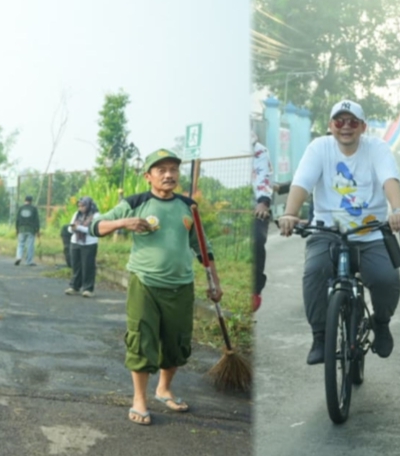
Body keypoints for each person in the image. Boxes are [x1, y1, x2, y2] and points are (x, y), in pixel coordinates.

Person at [89, 149, 222, 426]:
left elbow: (202, 247)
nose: (169, 174)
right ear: (148, 176)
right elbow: (95, 226)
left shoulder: (189, 207)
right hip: (144, 284)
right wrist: (124, 222)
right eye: (161, 170)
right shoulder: (136, 202)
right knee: (142, 340)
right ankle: (140, 399)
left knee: (176, 343)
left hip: (181, 286)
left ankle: (164, 389)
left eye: (173, 169)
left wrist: (214, 282)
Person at [277, 99, 400, 363]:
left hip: (371, 232)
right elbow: (302, 182)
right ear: (330, 125)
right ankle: (321, 337)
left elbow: (389, 180)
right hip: (327, 231)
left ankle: (381, 324)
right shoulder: (319, 148)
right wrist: (290, 213)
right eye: (339, 121)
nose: (346, 127)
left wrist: (397, 209)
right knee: (314, 272)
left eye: (352, 122)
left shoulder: (377, 148)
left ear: (362, 127)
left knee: (386, 279)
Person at [251, 129, 274, 312]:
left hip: (255, 207)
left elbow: (263, 177)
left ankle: (255, 290)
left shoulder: (259, 151)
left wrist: (262, 202)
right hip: (229, 205)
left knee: (257, 240)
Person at [65, 196, 99, 297]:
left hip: (89, 243)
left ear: (88, 205)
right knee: (76, 266)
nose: (81, 208)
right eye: (79, 206)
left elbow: (93, 230)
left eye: (83, 205)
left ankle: (88, 289)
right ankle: (74, 287)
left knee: (88, 266)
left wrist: (79, 227)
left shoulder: (96, 215)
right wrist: (72, 229)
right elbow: (70, 228)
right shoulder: (76, 214)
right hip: (75, 242)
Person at [14, 195, 40, 266]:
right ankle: (29, 261)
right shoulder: (33, 209)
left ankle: (18, 257)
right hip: (31, 230)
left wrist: (17, 229)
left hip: (21, 229)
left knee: (20, 244)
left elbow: (17, 219)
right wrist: (38, 230)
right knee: (30, 245)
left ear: (25, 200)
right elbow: (36, 220)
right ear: (31, 201)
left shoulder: (21, 208)